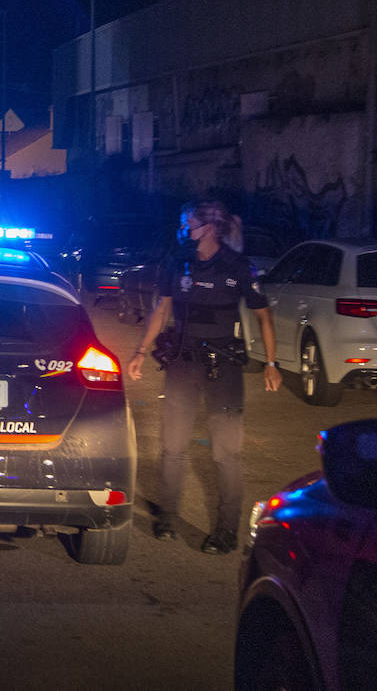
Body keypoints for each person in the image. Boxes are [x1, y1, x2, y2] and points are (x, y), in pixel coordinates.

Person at [127, 199, 280, 555]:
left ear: (209, 228)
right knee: (173, 446)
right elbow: (161, 309)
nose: (183, 230)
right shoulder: (177, 260)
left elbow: (264, 316)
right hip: (182, 363)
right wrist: (139, 352)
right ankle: (167, 517)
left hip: (222, 368)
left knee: (225, 453)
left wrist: (271, 363)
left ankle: (226, 532)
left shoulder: (237, 265)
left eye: (189, 224)